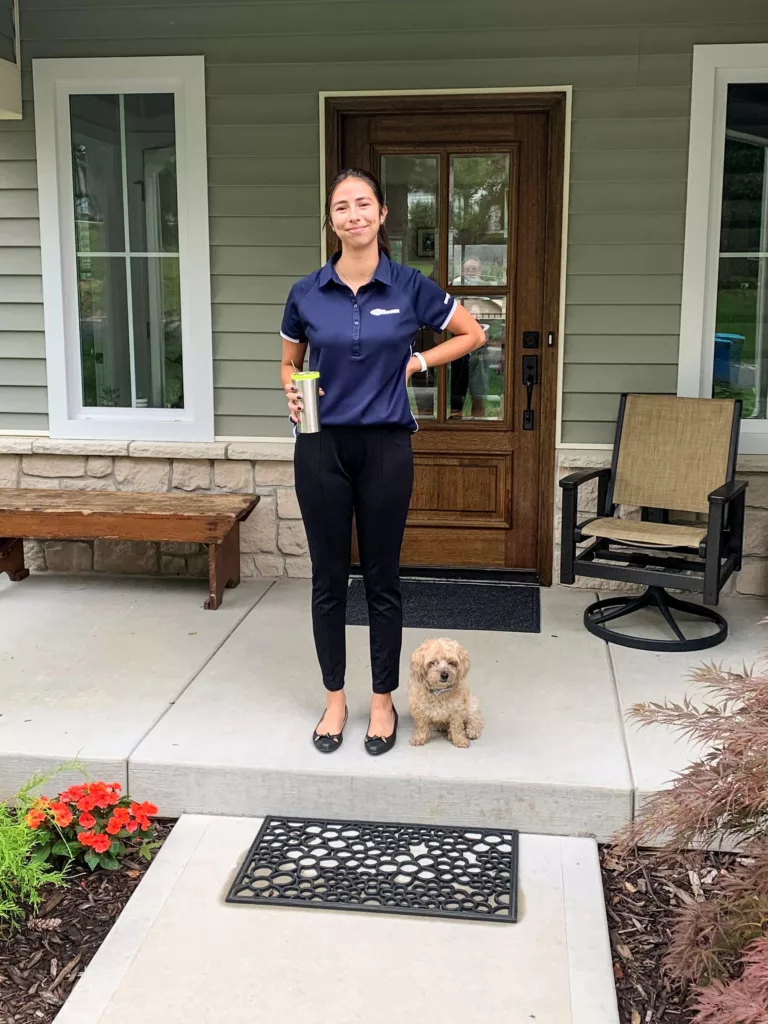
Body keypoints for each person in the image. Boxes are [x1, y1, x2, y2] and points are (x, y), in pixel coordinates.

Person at [280, 168, 486, 756]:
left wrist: (417, 364)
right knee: (326, 579)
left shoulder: (408, 286)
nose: (353, 215)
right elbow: (288, 361)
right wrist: (292, 388)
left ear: (382, 214)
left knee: (382, 580)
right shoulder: (306, 291)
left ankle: (381, 700)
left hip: (386, 447)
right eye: (341, 206)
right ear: (332, 220)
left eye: (362, 203)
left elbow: (471, 333)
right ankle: (335, 700)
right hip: (320, 447)